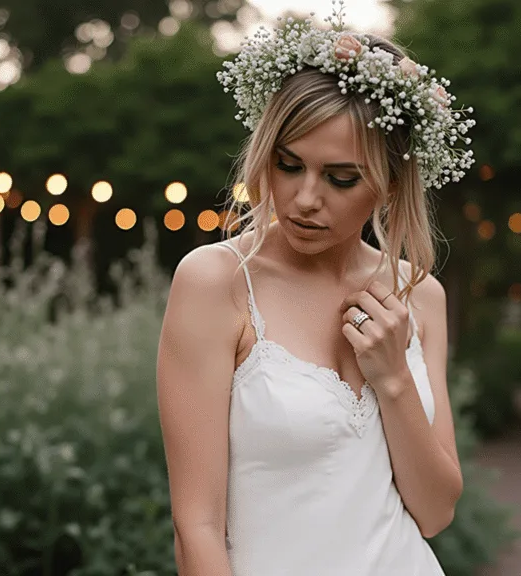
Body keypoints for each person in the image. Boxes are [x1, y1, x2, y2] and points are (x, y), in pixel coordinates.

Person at [156, 4, 476, 574]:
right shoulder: (217, 282)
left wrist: (394, 378)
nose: (305, 198)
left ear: (390, 182)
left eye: (341, 177)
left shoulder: (420, 296)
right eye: (288, 165)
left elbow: (434, 513)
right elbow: (196, 528)